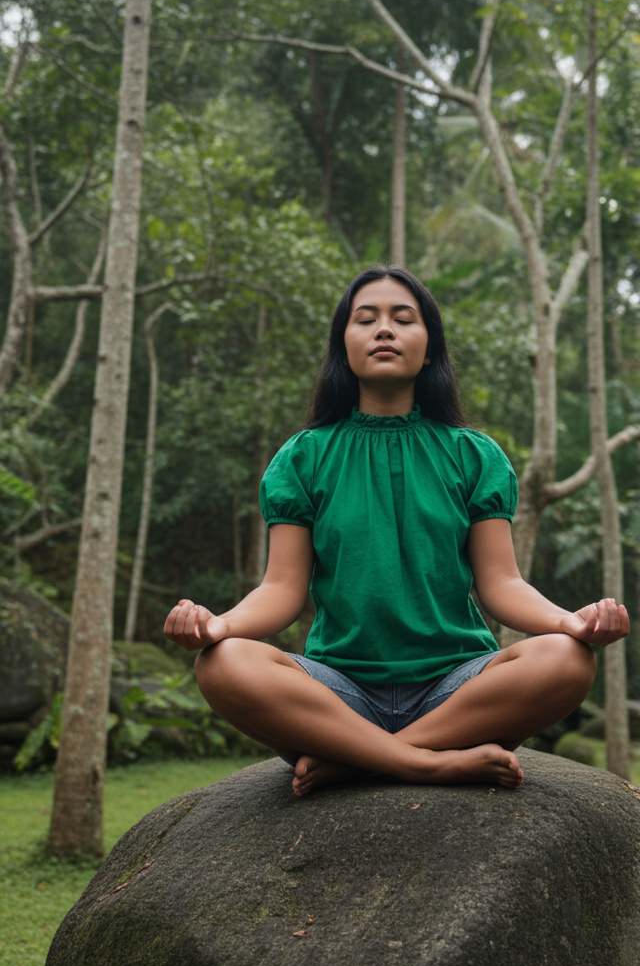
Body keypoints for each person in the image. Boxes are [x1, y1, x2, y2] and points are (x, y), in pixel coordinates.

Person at [164, 266, 629, 796]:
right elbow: (280, 590)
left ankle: (359, 761)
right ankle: (426, 763)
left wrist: (571, 622)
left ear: (429, 349)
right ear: (344, 348)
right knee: (222, 665)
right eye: (366, 320)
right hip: (337, 691)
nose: (384, 329)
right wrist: (219, 627)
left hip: (456, 689)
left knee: (568, 660)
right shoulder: (303, 458)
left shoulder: (474, 455)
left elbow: (502, 585)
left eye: (402, 319)